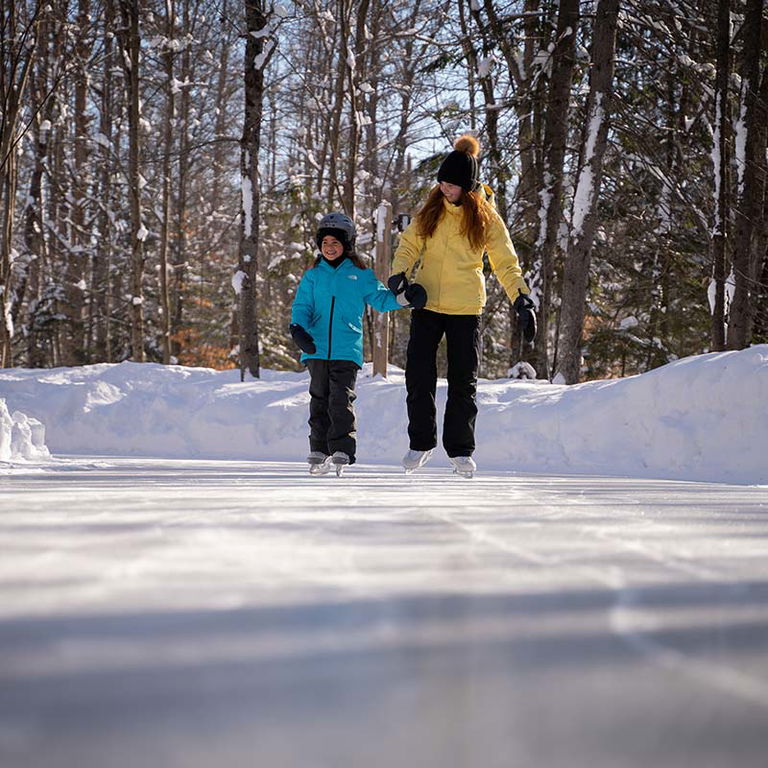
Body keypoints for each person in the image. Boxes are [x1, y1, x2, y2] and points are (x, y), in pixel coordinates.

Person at [388, 135, 536, 477]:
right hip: (427, 304)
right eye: (441, 182)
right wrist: (399, 273)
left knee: (463, 381)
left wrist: (521, 297)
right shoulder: (432, 210)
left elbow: (505, 262)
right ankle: (421, 443)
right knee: (418, 377)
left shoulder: (486, 218)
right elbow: (409, 244)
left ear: (467, 186)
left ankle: (460, 451)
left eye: (451, 184)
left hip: (467, 308)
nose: (444, 189)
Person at [291, 212, 427, 475]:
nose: (330, 248)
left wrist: (404, 299)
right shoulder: (312, 276)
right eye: (325, 242)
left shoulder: (360, 275)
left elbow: (380, 299)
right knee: (319, 399)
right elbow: (302, 306)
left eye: (336, 243)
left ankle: (342, 448)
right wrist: (298, 329)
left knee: (340, 400)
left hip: (346, 349)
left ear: (348, 244)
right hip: (316, 348)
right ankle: (319, 448)